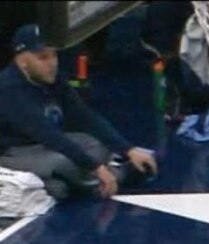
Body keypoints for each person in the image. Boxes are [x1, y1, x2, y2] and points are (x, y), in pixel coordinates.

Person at [0, 24, 158, 200]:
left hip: (45, 147)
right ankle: (114, 176)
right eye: (43, 58)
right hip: (12, 152)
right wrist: (96, 167)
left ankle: (71, 183)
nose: (52, 63)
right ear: (22, 61)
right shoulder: (9, 90)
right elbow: (47, 134)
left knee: (96, 145)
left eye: (54, 55)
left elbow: (85, 116)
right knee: (62, 162)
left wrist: (128, 149)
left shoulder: (53, 79)